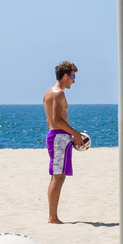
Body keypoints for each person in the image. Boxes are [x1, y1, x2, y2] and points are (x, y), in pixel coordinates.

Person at [43, 63, 89, 224]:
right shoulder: (58, 93)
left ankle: (52, 216)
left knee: (57, 176)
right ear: (64, 76)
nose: (74, 81)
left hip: (58, 137)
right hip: (58, 137)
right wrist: (75, 134)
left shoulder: (49, 92)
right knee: (58, 177)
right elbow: (57, 120)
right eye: (73, 77)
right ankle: (53, 217)